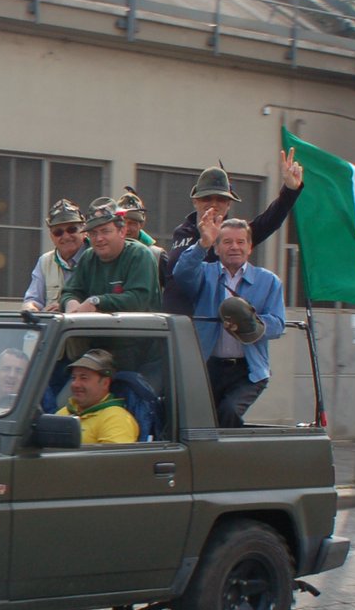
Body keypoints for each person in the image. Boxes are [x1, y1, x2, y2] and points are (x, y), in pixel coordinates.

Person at [172, 215, 286, 427]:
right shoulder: (205, 273)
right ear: (216, 248)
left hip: (249, 370)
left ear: (250, 247)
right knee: (197, 419)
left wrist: (251, 323)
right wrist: (202, 243)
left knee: (229, 411)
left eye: (241, 242)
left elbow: (278, 324)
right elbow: (182, 274)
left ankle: (229, 457)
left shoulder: (268, 281)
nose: (234, 247)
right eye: (227, 242)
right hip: (209, 365)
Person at [161, 149, 304, 314]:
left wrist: (290, 191)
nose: (213, 204)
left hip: (210, 326)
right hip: (175, 324)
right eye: (206, 198)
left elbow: (269, 221)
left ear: (229, 204)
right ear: (195, 201)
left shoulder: (234, 235)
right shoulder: (182, 232)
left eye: (221, 199)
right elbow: (179, 275)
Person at [59, 198, 160, 313]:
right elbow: (70, 291)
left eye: (105, 231)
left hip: (137, 329)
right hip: (97, 329)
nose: (99, 238)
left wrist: (97, 302)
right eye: (93, 233)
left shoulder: (139, 255)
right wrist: (70, 302)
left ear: (122, 231)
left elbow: (138, 300)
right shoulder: (88, 258)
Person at [54, 348, 138, 444]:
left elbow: (113, 458)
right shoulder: (64, 413)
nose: (75, 384)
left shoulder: (116, 419)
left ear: (105, 383)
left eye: (84, 378)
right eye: (73, 378)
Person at [22, 200, 87, 312]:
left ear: (84, 230)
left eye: (72, 229)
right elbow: (32, 300)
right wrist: (31, 310)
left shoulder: (97, 257)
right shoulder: (45, 262)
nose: (66, 236)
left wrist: (65, 307)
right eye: (58, 232)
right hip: (56, 328)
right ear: (51, 236)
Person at [114, 187, 166, 280]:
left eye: (132, 223)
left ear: (141, 224)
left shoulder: (157, 256)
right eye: (122, 223)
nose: (126, 228)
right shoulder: (106, 253)